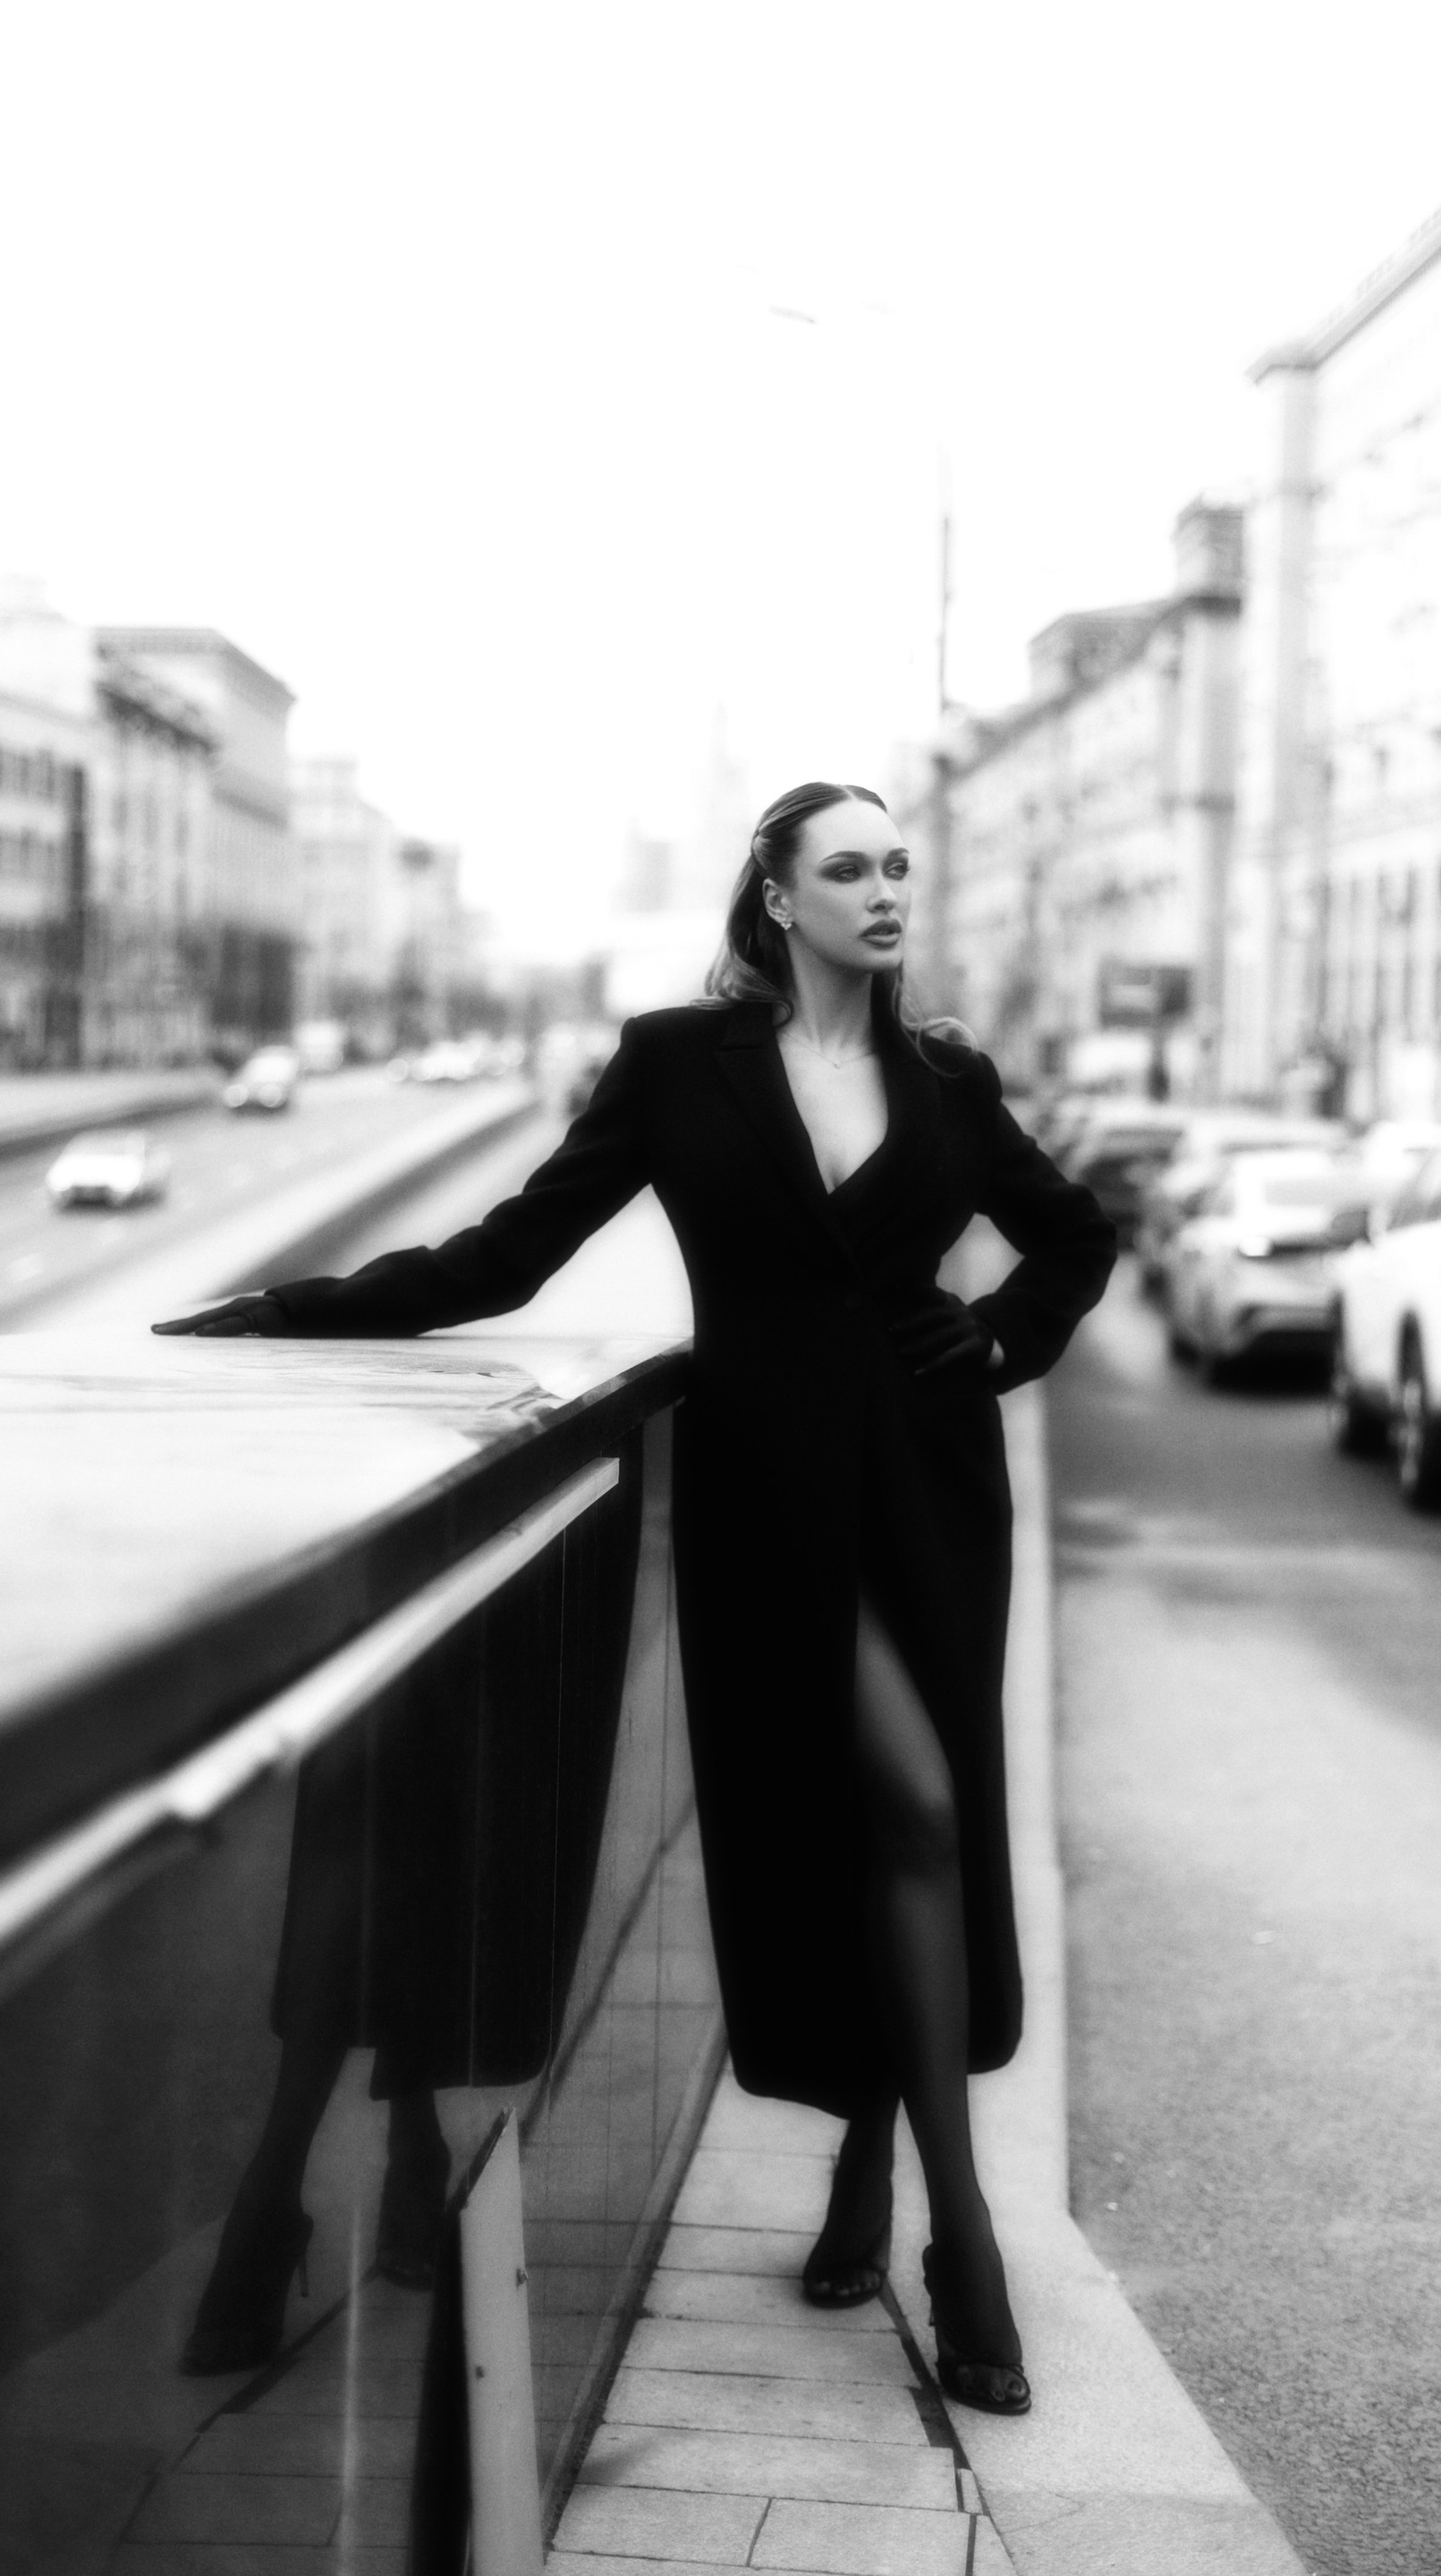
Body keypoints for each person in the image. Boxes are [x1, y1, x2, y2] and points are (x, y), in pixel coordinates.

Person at [157, 779, 1115, 2412]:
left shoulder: (947, 1074)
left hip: (929, 1489)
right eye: (849, 869)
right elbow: (512, 1253)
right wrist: (290, 1309)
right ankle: (924, 2213)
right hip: (767, 1496)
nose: (885, 891)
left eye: (898, 866)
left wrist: (999, 1338)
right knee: (883, 1816)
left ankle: (917, 2204)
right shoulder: (680, 1063)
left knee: (921, 1816)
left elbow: (1074, 1236)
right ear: (778, 899)